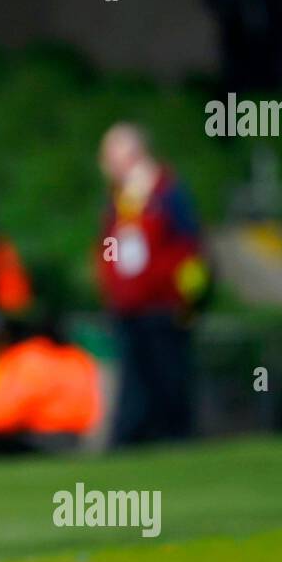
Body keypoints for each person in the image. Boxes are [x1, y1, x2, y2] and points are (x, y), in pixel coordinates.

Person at [95, 123, 207, 447]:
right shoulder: (119, 199)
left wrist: (185, 299)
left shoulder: (166, 193)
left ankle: (175, 438)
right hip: (128, 306)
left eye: (110, 155)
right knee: (134, 378)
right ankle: (132, 440)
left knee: (169, 375)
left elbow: (190, 249)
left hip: (163, 306)